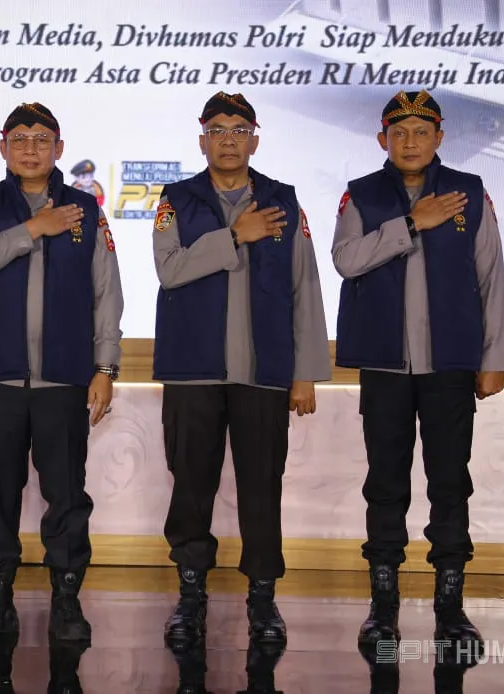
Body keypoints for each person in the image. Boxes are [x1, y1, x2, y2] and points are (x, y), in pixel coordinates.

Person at [330, 89, 504, 660]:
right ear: (382, 139)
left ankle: (450, 607)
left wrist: (494, 357)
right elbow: (346, 260)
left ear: (440, 138)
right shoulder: (361, 194)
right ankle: (382, 607)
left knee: (450, 481)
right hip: (385, 364)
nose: (410, 142)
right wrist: (412, 223)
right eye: (399, 133)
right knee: (385, 482)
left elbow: (490, 277)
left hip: (450, 364)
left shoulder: (470, 192)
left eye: (421, 132)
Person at [151, 91, 332, 646]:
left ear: (254, 140)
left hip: (264, 372)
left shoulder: (283, 201)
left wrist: (305, 372)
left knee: (261, 486)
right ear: (202, 140)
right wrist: (234, 236)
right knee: (191, 486)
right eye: (217, 131)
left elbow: (305, 287)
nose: (227, 140)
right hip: (193, 371)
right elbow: (169, 269)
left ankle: (262, 597)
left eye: (238, 131)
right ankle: (190, 596)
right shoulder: (177, 200)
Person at [0, 102, 124, 643]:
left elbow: (107, 292)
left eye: (42, 139)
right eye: (20, 139)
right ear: (3, 146)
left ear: (59, 148)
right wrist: (33, 228)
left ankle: (66, 600)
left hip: (64, 378)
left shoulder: (85, 209)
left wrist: (105, 366)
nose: (31, 149)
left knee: (67, 494)